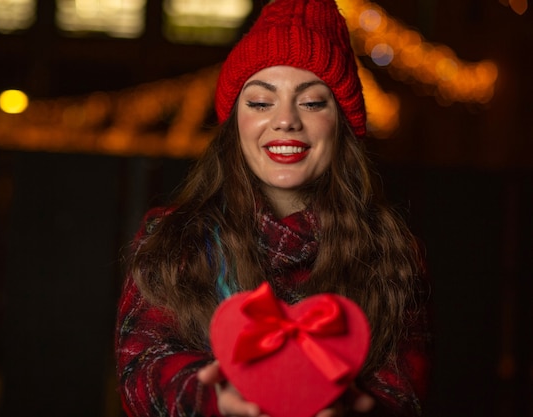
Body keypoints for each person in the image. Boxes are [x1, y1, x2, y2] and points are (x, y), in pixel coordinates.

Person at [115, 0, 431, 416]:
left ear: (341, 123)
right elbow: (141, 370)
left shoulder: (391, 253)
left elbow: (405, 395)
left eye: (312, 103)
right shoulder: (173, 240)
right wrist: (215, 400)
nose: (285, 120)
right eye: (261, 102)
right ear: (235, 123)